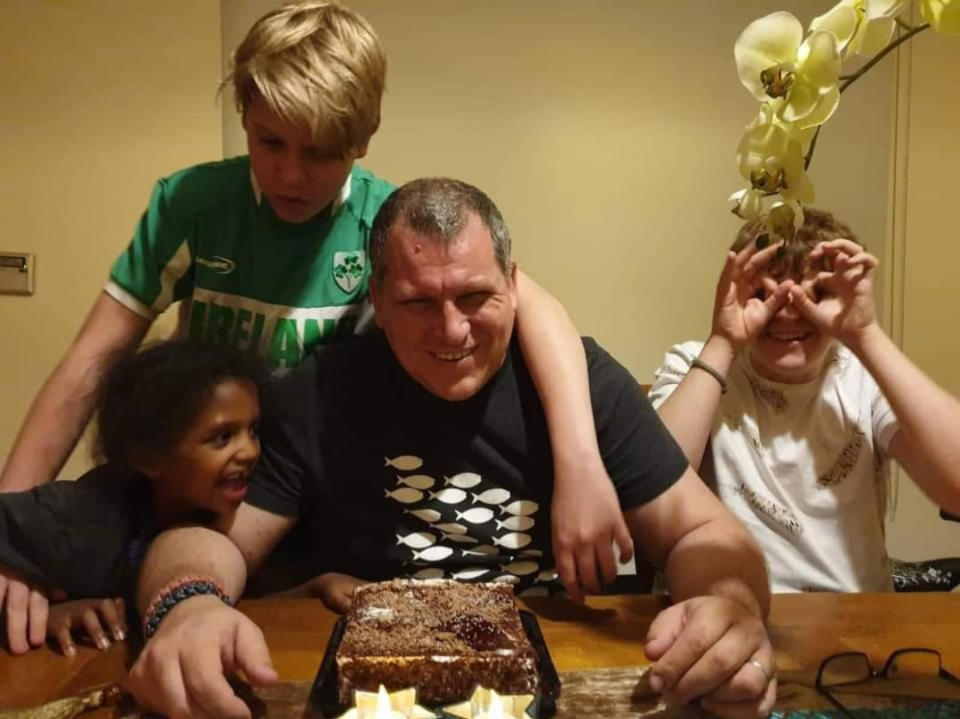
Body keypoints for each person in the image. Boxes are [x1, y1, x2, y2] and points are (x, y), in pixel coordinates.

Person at [0, 0, 631, 640]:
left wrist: (581, 462)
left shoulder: (385, 222)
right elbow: (90, 364)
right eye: (269, 141)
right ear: (244, 112)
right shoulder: (192, 204)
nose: (290, 174)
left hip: (288, 496)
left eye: (323, 152)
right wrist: (13, 535)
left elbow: (528, 303)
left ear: (364, 137)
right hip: (187, 479)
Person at [127, 178, 776, 719]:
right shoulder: (317, 394)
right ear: (376, 300)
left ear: (513, 285)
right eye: (417, 302)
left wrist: (732, 607)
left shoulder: (589, 382)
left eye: (475, 296)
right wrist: (188, 606)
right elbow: (205, 539)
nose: (453, 330)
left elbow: (707, 533)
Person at [649, 208, 960, 593]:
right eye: (766, 293)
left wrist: (866, 334)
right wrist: (723, 341)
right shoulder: (696, 364)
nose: (789, 312)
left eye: (816, 293)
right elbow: (651, 495)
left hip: (856, 621)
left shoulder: (861, 378)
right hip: (724, 612)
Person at [0, 341, 262, 655]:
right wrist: (50, 615)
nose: (250, 451)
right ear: (147, 458)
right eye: (223, 437)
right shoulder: (80, 514)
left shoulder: (236, 515)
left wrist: (308, 590)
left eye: (253, 431)